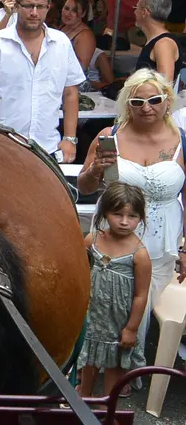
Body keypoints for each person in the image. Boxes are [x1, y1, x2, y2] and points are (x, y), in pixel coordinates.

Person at [78, 69, 186, 344]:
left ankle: (127, 363)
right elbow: (84, 188)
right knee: (108, 298)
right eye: (137, 102)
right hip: (113, 234)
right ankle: (102, 363)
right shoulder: (110, 136)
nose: (146, 108)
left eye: (154, 100)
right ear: (128, 104)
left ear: (167, 101)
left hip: (162, 239)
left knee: (143, 301)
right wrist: (95, 170)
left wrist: (185, 247)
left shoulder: (182, 141)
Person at [0, 0, 86, 162]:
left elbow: (70, 93)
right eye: (29, 6)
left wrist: (70, 139)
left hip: (47, 148)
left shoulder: (61, 43)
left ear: (48, 8)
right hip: (0, 147)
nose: (34, 12)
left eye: (40, 6)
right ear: (17, 6)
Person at [76, 182, 150, 398]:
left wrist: (132, 328)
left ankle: (108, 412)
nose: (125, 222)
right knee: (88, 364)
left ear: (141, 217)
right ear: (105, 213)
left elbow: (140, 295)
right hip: (92, 319)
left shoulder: (140, 254)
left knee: (114, 373)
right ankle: (84, 404)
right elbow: (78, 272)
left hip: (119, 325)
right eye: (117, 214)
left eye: (133, 216)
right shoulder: (93, 240)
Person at [134, 0, 182, 84]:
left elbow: (165, 86)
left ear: (144, 12)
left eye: (136, 8)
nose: (134, 12)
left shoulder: (164, 44)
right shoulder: (156, 41)